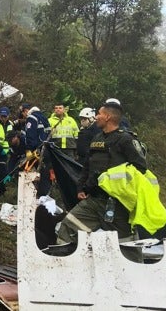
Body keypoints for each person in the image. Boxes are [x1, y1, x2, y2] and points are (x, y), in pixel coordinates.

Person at [56, 102, 148, 259]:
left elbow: (141, 168)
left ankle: (136, 274)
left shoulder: (126, 140)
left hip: (117, 204)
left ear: (108, 116)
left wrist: (115, 181)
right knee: (68, 228)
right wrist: (81, 188)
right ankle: (63, 265)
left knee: (127, 245)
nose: (96, 117)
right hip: (93, 201)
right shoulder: (97, 138)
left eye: (99, 113)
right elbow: (87, 166)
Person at [21, 103, 52, 195]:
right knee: (44, 174)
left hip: (36, 151)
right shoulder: (45, 119)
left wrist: (29, 149)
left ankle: (30, 196)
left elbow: (30, 135)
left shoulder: (31, 118)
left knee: (29, 175)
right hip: (46, 150)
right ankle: (44, 196)